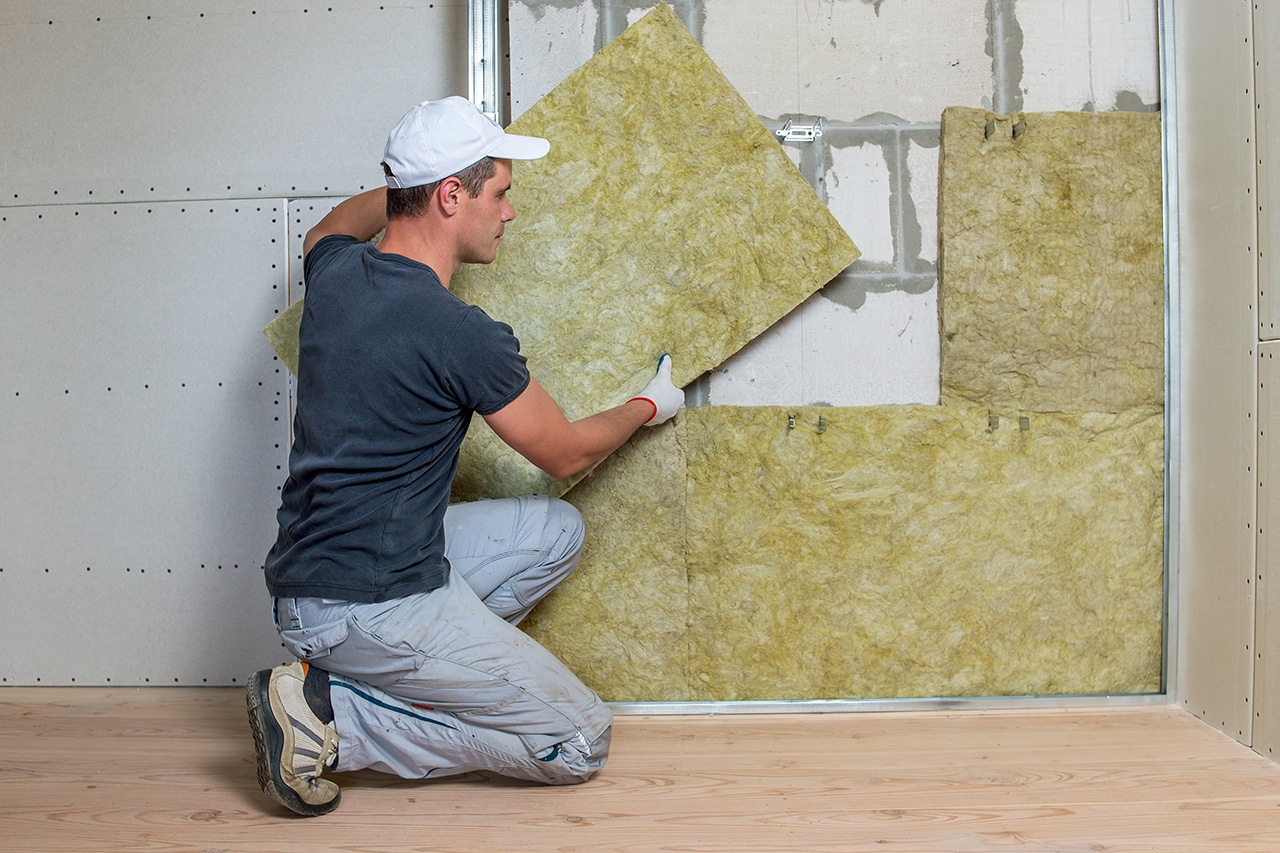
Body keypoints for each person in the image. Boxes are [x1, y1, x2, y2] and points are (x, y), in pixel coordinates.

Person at [246, 96, 685, 817]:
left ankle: (379, 678)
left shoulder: (336, 275)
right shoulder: (459, 333)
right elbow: (566, 451)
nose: (509, 211)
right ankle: (331, 719)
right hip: (365, 606)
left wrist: (402, 194)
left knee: (556, 532)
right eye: (500, 192)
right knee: (578, 740)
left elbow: (327, 227)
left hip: (316, 581)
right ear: (452, 195)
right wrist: (650, 405)